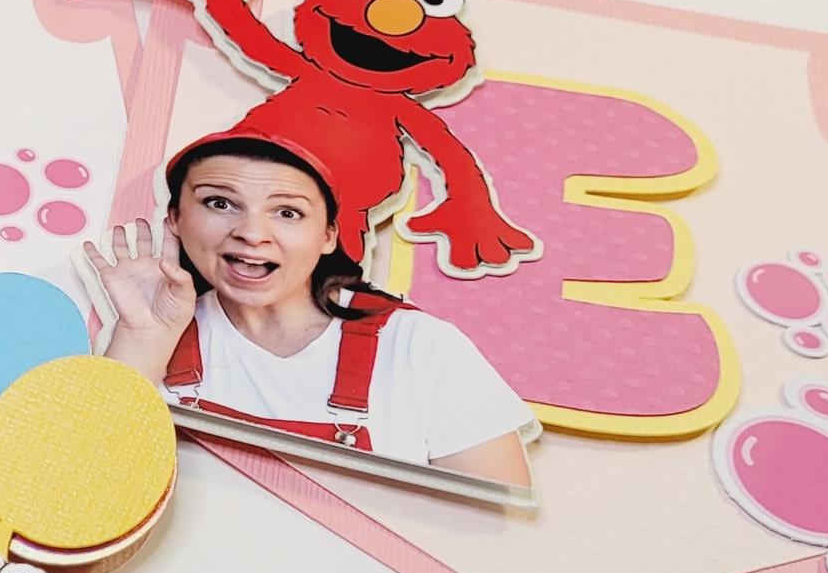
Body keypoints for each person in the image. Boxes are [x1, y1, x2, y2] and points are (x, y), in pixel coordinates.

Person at [84, 140, 537, 489]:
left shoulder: (418, 345)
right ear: (175, 220)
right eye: (220, 203)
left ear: (328, 235)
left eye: (287, 212)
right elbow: (79, 490)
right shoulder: (150, 335)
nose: (252, 233)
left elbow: (496, 533)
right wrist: (143, 336)